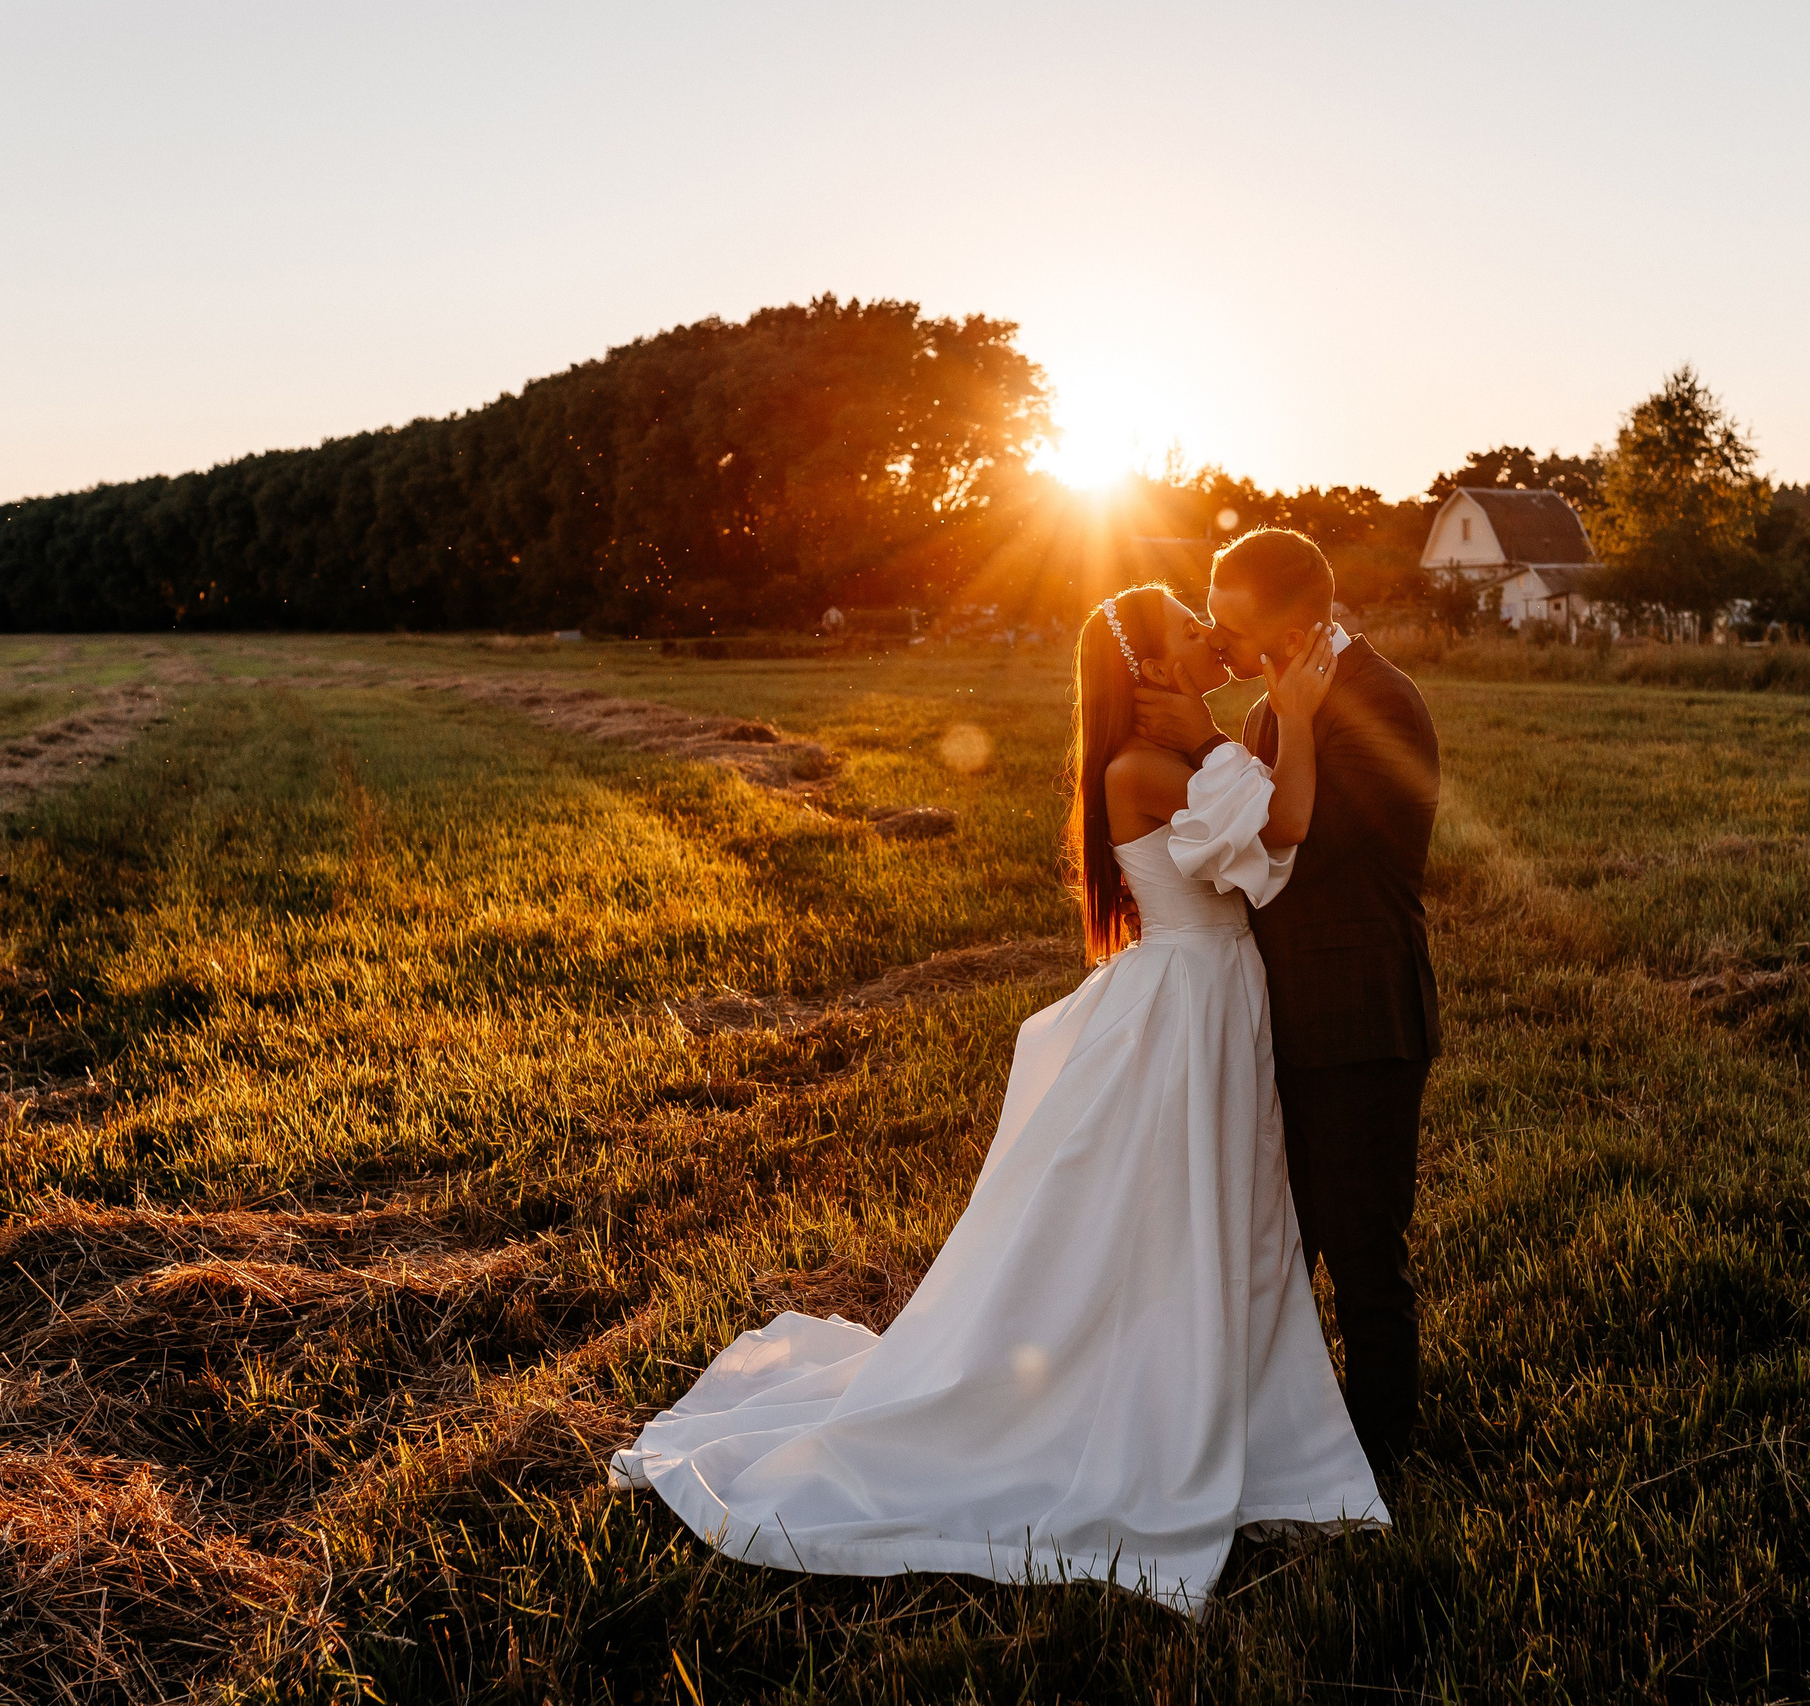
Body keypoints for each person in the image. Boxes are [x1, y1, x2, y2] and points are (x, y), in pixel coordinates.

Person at [609, 582, 1384, 1615]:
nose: (1209, 635)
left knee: (1209, 1210)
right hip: (1185, 1009)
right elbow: (1285, 819)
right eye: (1187, 631)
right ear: (1147, 670)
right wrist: (1289, 712)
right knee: (1168, 1213)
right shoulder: (1145, 765)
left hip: (1206, 998)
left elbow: (1251, 824)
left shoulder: (1176, 753)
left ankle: (1211, 1389)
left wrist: (1219, 733)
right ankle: (1140, 1401)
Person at [1133, 529, 1442, 1479]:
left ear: (1304, 623)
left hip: (1359, 1019)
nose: (1218, 643)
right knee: (1282, 1239)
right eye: (1210, 620)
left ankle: (1384, 1449)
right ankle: (1283, 1424)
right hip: (1286, 1019)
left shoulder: (1381, 703)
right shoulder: (1278, 709)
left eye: (1233, 625)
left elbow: (1292, 853)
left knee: (1362, 1246)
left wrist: (1204, 745)